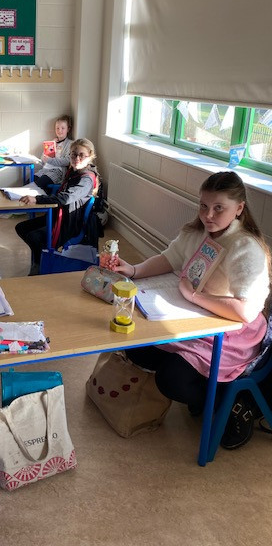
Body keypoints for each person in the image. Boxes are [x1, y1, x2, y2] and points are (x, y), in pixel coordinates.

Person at [114, 170, 271, 450]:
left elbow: (247, 312)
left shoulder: (246, 248)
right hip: (193, 318)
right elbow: (169, 258)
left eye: (219, 208)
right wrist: (134, 270)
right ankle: (204, 388)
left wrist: (195, 296)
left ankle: (229, 403)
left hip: (233, 332)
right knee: (136, 347)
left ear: (239, 209)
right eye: (203, 206)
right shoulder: (196, 232)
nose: (208, 215)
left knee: (171, 380)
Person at [16, 138, 100, 276]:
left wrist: (37, 199)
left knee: (35, 237)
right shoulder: (73, 171)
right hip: (60, 216)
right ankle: (40, 258)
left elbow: (65, 198)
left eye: (81, 155)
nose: (77, 158)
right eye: (73, 154)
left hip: (70, 223)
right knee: (21, 228)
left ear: (90, 156)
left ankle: (40, 265)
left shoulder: (86, 179)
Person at [34, 114, 74, 192]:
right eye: (57, 128)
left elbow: (67, 161)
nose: (59, 130)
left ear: (68, 129)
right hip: (45, 169)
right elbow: (42, 159)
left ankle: (37, 198)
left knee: (38, 184)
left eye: (63, 128)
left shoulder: (70, 144)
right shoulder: (52, 142)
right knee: (29, 181)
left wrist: (49, 160)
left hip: (57, 171)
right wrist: (51, 145)